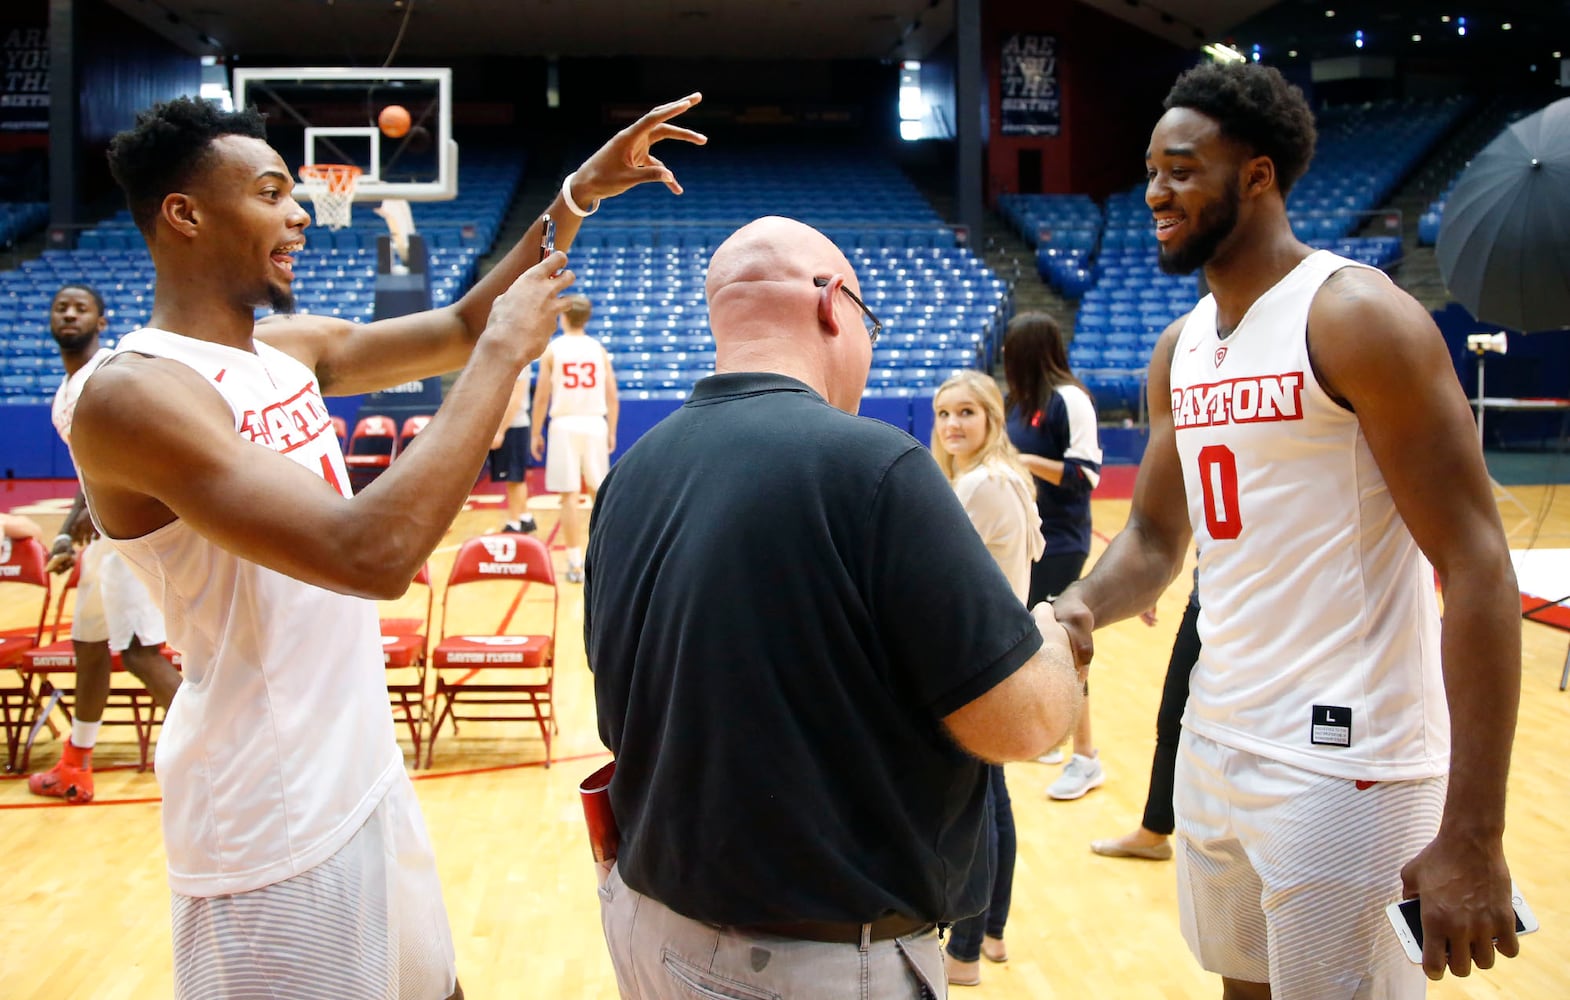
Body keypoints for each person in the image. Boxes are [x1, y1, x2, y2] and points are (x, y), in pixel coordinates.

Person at [72, 92, 705, 1000]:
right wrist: (502, 360)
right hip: (266, 818)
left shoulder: (283, 348)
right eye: (269, 192)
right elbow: (372, 553)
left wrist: (574, 195)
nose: (298, 214)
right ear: (184, 213)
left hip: (363, 769)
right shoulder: (134, 395)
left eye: (296, 193)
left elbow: (456, 327)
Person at [1051, 62, 1522, 998]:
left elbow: (1477, 564)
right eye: (1150, 169)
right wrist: (1076, 610)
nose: (1155, 191)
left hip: (1347, 762)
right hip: (1218, 734)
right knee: (1245, 988)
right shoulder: (1180, 347)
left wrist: (1474, 830)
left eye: (1182, 169)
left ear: (1258, 177)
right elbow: (1152, 538)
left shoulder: (1356, 318)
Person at [583, 216, 1083, 1000]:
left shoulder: (629, 474)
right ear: (831, 306)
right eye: (869, 324)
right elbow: (1018, 723)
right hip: (801, 962)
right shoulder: (875, 465)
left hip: (643, 922)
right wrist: (1050, 636)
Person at [25, 283, 183, 805]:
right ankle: (76, 764)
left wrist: (103, 516)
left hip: (130, 530)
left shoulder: (106, 376)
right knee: (89, 647)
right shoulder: (67, 389)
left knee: (140, 652)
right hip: (103, 534)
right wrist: (71, 530)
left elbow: (136, 454)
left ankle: (226, 761)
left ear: (100, 320)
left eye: (80, 308)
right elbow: (89, 471)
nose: (69, 314)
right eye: (61, 307)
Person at [928, 370, 1045, 988]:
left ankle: (967, 950)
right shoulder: (1003, 477)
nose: (952, 425)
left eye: (966, 413)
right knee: (991, 800)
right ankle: (991, 933)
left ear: (991, 419)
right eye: (945, 413)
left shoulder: (980, 485)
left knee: (974, 809)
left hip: (979, 661)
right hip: (999, 655)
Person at [1001, 312, 1105, 800]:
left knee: (1062, 640)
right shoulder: (1015, 404)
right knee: (1035, 641)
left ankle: (1086, 758)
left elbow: (1086, 476)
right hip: (1028, 538)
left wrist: (1025, 462)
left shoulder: (1071, 400)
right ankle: (1052, 730)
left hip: (1063, 538)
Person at [1090, 574, 1200, 862]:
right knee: (1172, 722)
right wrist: (1153, 587)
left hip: (1268, 618)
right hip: (1207, 605)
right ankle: (1154, 832)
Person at [530, 293, 618, 582]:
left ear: (563, 317)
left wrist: (535, 432)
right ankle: (605, 557)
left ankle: (574, 563)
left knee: (568, 496)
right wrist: (612, 429)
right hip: (594, 423)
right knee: (599, 495)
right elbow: (612, 396)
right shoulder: (598, 349)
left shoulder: (554, 350)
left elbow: (542, 396)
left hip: (564, 425)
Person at [489, 364, 538, 535]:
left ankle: (514, 522)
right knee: (514, 477)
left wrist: (501, 430)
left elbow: (516, 398)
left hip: (513, 425)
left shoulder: (519, 362)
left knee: (514, 476)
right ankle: (525, 517)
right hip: (511, 424)